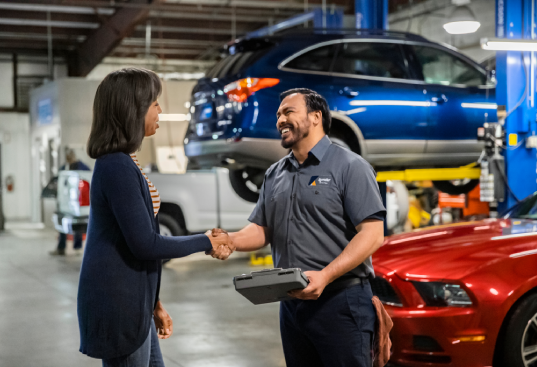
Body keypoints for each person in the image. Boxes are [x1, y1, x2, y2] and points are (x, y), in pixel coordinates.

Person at [214, 88, 386, 367]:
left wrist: (326, 276)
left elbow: (372, 233)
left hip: (341, 301)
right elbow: (262, 229)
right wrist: (230, 240)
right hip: (291, 304)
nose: (280, 119)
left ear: (316, 117)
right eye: (278, 114)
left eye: (288, 112)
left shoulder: (350, 166)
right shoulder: (275, 173)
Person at [77, 68, 234, 367]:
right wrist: (205, 241)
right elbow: (145, 244)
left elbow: (135, 242)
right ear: (131, 110)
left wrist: (154, 303)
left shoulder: (126, 162)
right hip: (119, 303)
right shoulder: (116, 166)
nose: (160, 110)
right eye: (154, 103)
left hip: (136, 301)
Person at [49, 148, 90, 256]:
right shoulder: (64, 169)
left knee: (78, 225)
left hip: (78, 203)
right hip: (64, 203)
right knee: (62, 225)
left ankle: (77, 246)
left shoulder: (83, 168)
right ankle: (61, 247)